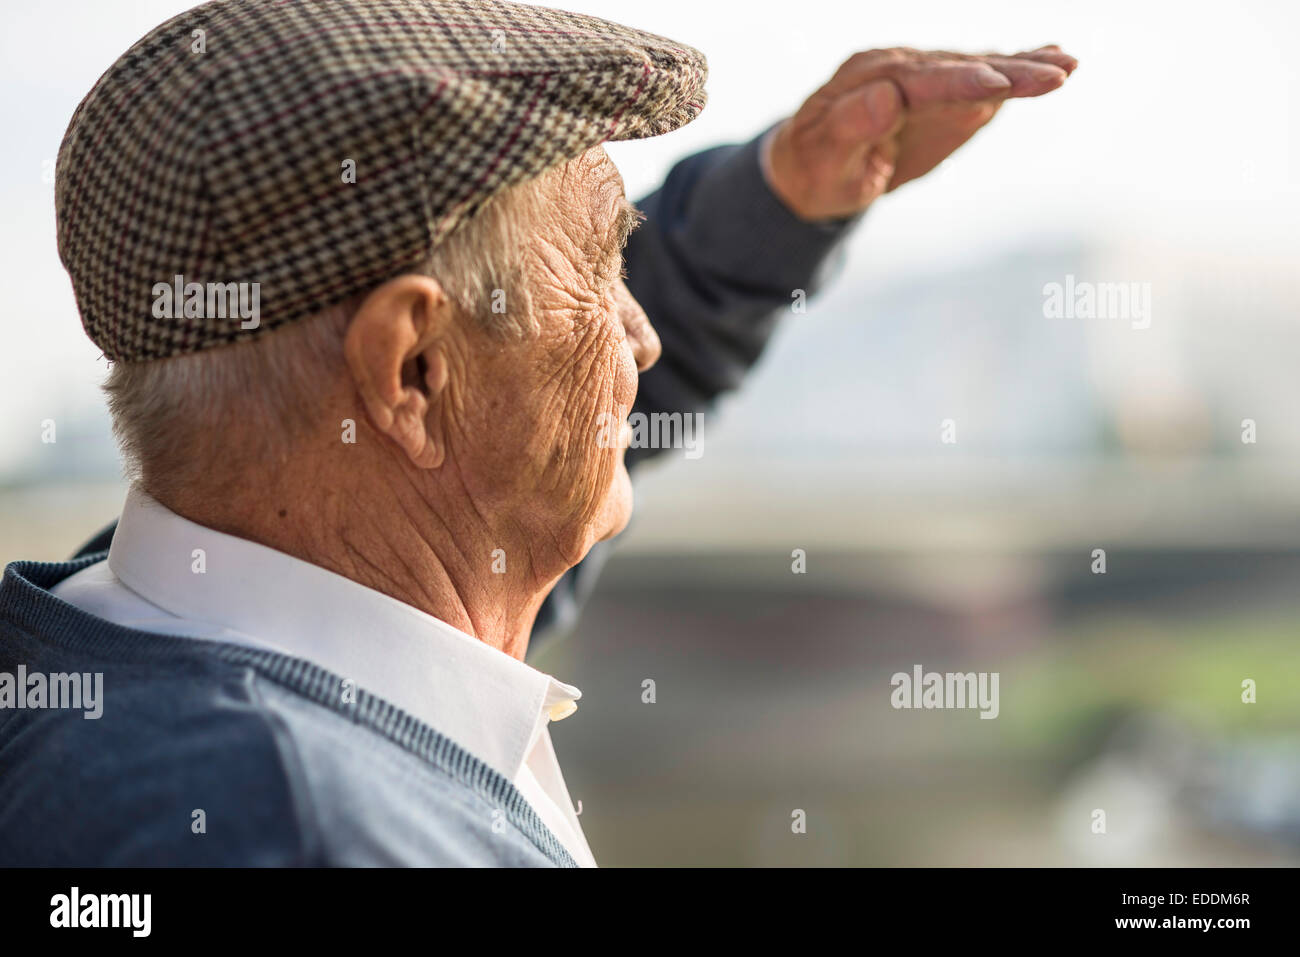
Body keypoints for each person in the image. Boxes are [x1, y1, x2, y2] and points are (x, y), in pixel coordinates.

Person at [0, 0, 1074, 866]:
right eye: (605, 264)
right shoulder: (299, 826)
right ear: (414, 373)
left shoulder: (157, 624)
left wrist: (778, 205)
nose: (642, 339)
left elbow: (535, 430)